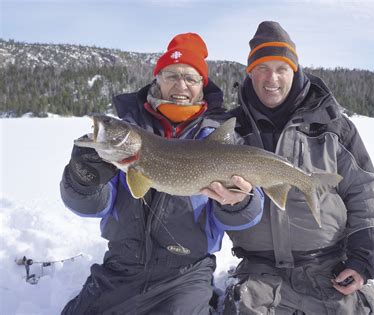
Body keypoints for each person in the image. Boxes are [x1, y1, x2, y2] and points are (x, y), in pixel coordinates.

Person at [60, 32, 263, 314]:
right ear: (157, 79)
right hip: (120, 268)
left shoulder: (221, 138)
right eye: (171, 76)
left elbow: (252, 212)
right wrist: (82, 181)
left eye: (190, 78)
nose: (180, 85)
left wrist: (240, 201)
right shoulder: (128, 133)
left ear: (202, 86)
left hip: (186, 274)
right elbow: (92, 206)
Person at [223, 21, 374, 314]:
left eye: (281, 68)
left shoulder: (333, 125)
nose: (271, 78)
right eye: (262, 68)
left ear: (295, 71)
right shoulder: (231, 129)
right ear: (250, 73)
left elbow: (365, 191)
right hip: (259, 273)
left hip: (329, 267)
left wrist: (363, 257)